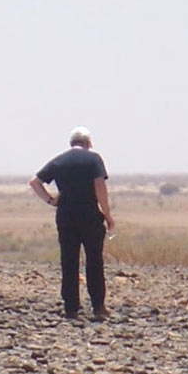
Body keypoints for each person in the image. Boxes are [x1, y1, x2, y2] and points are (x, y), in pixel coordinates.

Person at [29, 127, 115, 319]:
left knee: (69, 260)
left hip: (66, 215)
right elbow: (99, 187)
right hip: (89, 214)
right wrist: (107, 214)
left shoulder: (60, 160)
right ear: (88, 143)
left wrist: (51, 200)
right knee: (94, 260)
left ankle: (71, 307)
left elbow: (35, 182)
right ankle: (98, 307)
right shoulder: (94, 159)